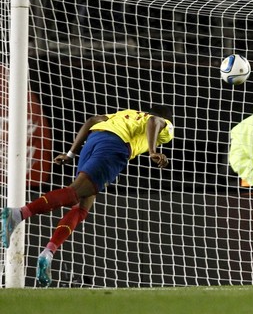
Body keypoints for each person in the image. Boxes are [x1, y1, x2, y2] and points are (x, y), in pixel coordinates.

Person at [1, 106, 174, 287]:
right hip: (115, 148)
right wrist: (153, 151)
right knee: (75, 193)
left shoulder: (125, 114)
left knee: (82, 207)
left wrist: (70, 154)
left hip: (94, 140)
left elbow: (93, 120)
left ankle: (48, 253)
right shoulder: (165, 125)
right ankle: (18, 214)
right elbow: (155, 121)